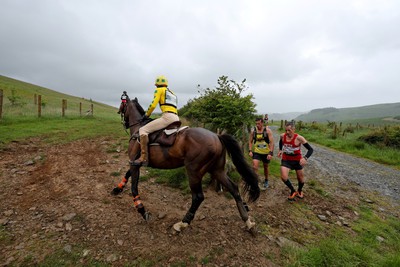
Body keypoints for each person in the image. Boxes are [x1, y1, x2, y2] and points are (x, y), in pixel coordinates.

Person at [133, 75, 180, 166]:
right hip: (176, 117)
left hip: (167, 117)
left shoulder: (159, 90)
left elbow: (153, 105)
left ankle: (143, 157)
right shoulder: (173, 93)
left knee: (143, 130)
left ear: (157, 84)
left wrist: (146, 115)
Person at [277, 121, 313, 200]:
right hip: (286, 159)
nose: (287, 132)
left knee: (301, 179)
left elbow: (310, 149)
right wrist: (280, 150)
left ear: (294, 129)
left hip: (297, 160)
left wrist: (305, 158)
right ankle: (293, 190)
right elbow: (280, 142)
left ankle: (299, 190)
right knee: (283, 177)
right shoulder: (283, 136)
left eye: (289, 130)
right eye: (286, 130)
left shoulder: (299, 138)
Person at [248, 117, 274, 190]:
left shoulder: (268, 131)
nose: (257, 125)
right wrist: (250, 150)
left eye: (259, 123)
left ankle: (266, 180)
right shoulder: (253, 131)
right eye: (256, 124)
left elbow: (272, 142)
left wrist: (270, 153)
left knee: (265, 167)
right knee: (255, 166)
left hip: (266, 152)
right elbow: (250, 141)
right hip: (257, 152)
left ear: (262, 123)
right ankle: (254, 182)